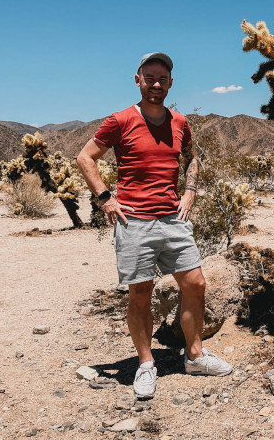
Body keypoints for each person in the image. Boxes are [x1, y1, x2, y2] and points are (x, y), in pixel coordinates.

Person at [76, 52, 233, 399]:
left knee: (195, 283)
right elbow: (85, 156)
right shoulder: (119, 121)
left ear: (171, 83)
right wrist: (105, 198)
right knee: (140, 294)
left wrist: (190, 190)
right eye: (149, 78)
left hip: (173, 219)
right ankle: (147, 364)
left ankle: (194, 356)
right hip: (135, 222)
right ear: (138, 80)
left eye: (162, 79)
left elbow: (192, 156)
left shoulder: (180, 122)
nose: (156, 85)